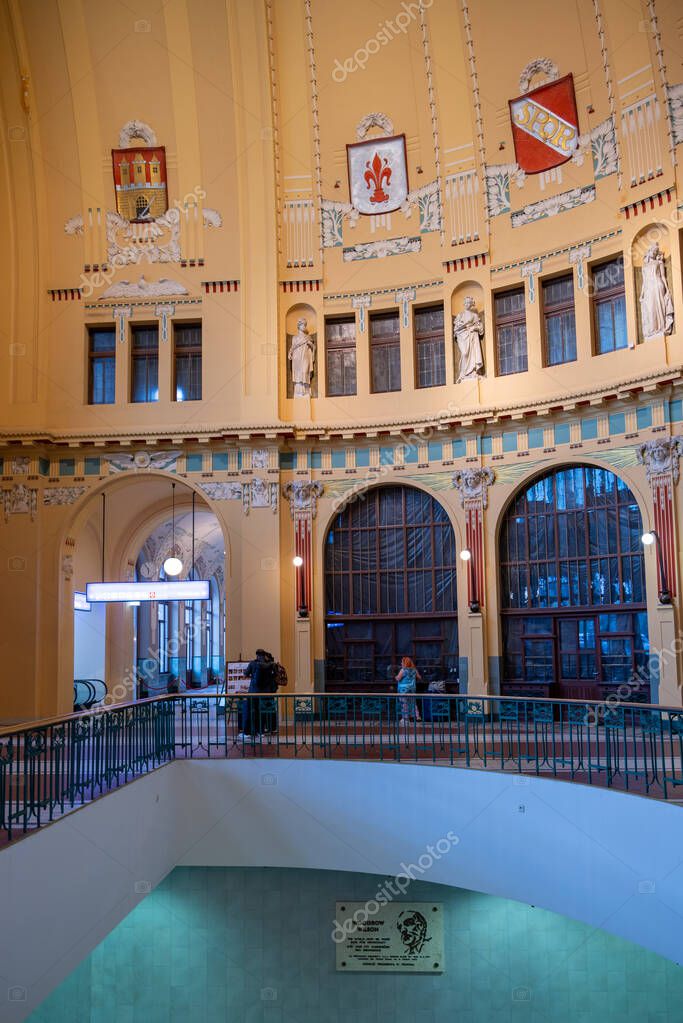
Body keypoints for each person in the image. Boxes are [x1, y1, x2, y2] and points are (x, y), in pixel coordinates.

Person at [238, 649, 277, 738]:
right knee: (262, 712)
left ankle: (249, 732)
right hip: (266, 694)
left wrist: (252, 676)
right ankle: (261, 731)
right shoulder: (271, 664)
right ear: (265, 655)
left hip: (253, 692)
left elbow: (245, 675)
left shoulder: (252, 663)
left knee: (251, 711)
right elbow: (275, 676)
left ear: (257, 655)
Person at [395, 657, 421, 721]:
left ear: (405, 663)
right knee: (413, 703)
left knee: (404, 703)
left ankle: (405, 718)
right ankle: (417, 716)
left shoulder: (403, 670)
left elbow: (398, 678)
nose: (401, 663)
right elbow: (419, 677)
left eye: (402, 662)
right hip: (412, 689)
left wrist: (396, 677)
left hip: (403, 690)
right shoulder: (414, 670)